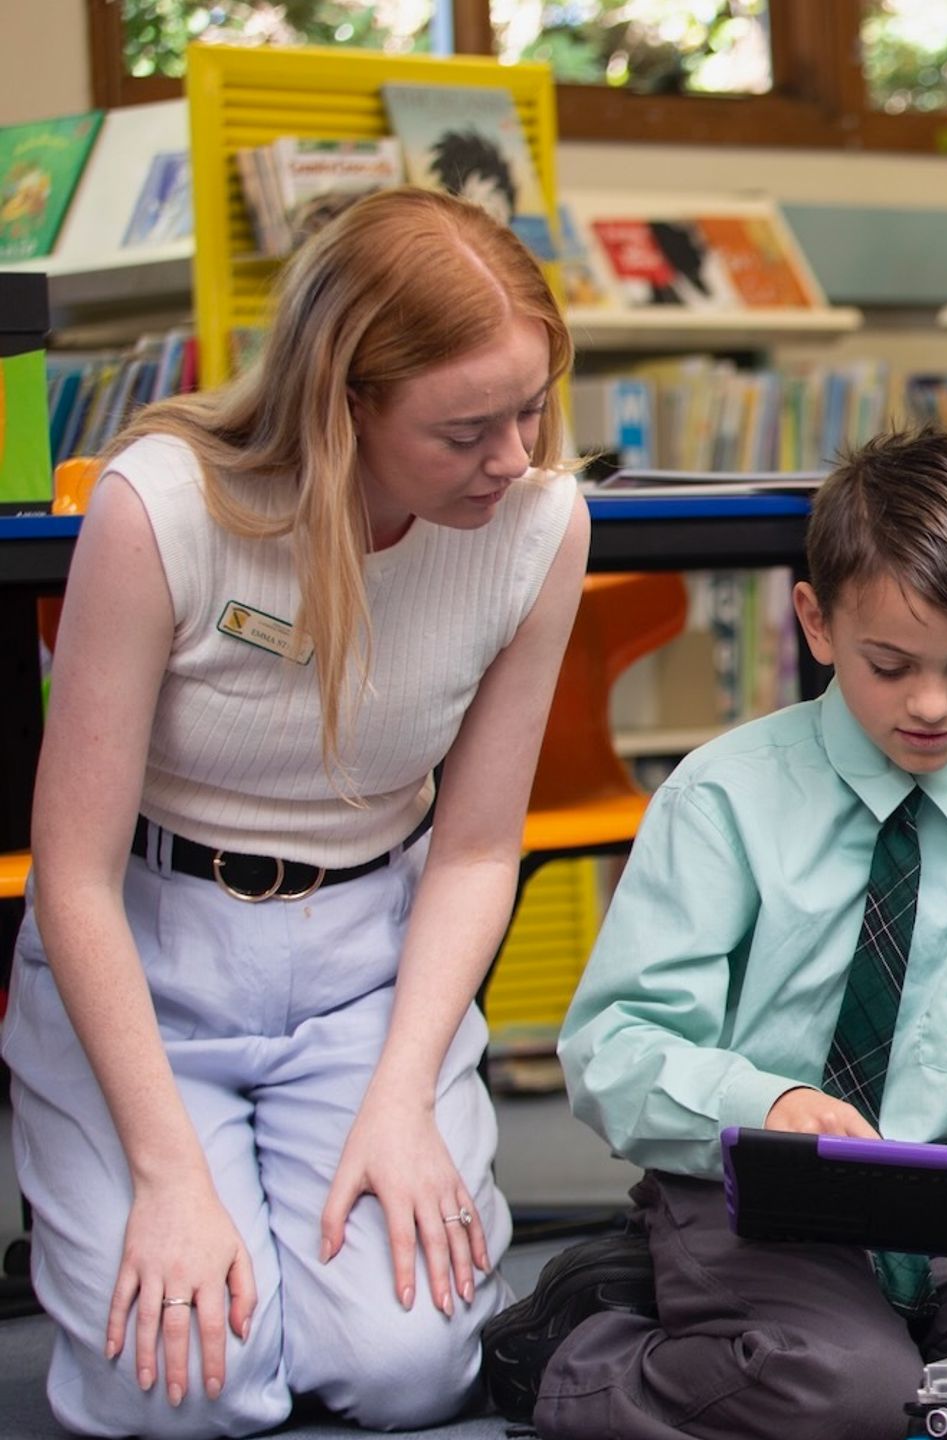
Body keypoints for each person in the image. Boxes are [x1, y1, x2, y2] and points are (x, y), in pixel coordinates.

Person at [5, 187, 589, 1436]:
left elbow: (479, 843)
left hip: (361, 970)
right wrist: (164, 1173)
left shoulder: (541, 526)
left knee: (411, 1371)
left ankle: (300, 1219)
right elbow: (74, 873)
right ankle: (190, 1195)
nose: (514, 459)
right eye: (465, 429)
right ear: (346, 403)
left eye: (530, 410)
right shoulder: (158, 507)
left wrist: (402, 1090)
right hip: (146, 959)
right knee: (186, 1387)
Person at [486, 430, 947, 1440]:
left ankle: (847, 1343)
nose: (933, 704)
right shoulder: (724, 796)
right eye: (891, 665)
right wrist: (771, 1100)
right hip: (738, 1189)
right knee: (848, 1393)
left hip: (937, 1201)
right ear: (817, 621)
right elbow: (613, 1050)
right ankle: (584, 1353)